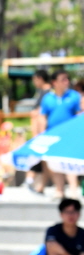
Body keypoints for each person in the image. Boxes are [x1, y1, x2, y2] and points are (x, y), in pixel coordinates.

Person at [40, 69, 82, 198]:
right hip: (53, 136)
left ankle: (74, 190)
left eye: (67, 79)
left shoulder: (74, 96)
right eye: (63, 79)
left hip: (70, 136)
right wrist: (42, 134)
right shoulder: (48, 98)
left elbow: (80, 114)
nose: (67, 82)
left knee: (70, 162)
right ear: (54, 82)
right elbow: (43, 117)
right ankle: (59, 190)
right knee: (55, 163)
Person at [27, 69, 52, 192]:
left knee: (43, 159)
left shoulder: (47, 93)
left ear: (39, 78)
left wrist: (38, 133)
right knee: (43, 160)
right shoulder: (43, 92)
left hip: (44, 132)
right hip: (40, 132)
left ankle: (33, 182)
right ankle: (39, 185)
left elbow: (41, 114)